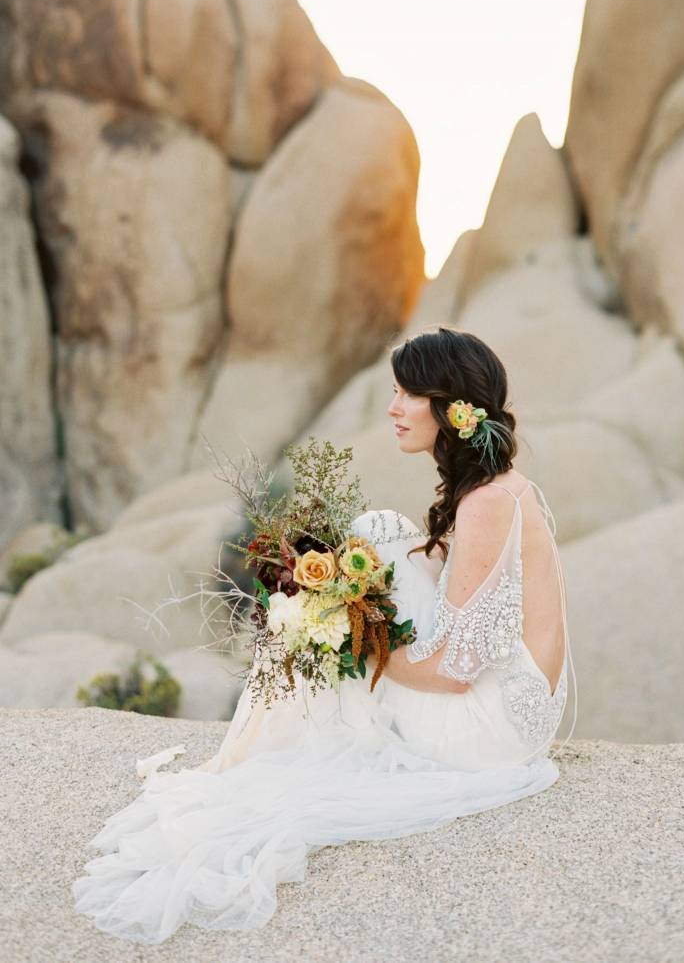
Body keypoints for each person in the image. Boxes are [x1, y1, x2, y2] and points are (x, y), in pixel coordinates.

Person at [71, 326, 577, 944]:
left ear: (448, 408)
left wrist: (363, 650)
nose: (391, 409)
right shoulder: (494, 489)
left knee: (366, 555)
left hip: (491, 727)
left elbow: (453, 672)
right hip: (515, 704)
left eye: (404, 395)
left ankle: (281, 719)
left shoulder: (487, 504)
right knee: (370, 549)